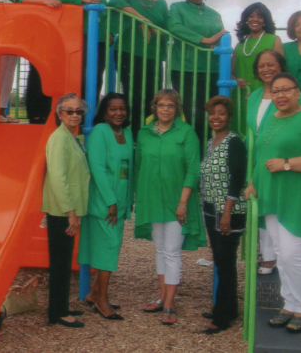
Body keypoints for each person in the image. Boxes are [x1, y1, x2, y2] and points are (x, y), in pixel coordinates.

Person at [244, 73, 301, 333]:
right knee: (281, 254)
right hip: (272, 194)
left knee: (294, 255)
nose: (280, 95)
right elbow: (263, 154)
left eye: (286, 90)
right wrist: (253, 182)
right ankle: (289, 303)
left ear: (298, 92)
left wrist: (287, 164)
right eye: (276, 91)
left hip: (299, 195)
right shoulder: (271, 119)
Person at [134, 89, 206, 326]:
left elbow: (193, 170)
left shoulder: (186, 133)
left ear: (177, 109)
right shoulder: (144, 134)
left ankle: (169, 304)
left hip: (178, 204)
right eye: (161, 104)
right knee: (160, 250)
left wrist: (183, 203)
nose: (165, 109)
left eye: (171, 105)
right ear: (154, 107)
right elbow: (139, 166)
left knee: (172, 251)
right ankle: (162, 295)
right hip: (153, 200)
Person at [78, 92, 133, 321]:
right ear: (104, 112)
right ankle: (102, 300)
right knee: (109, 249)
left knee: (106, 248)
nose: (118, 113)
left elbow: (127, 166)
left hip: (118, 201)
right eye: (112, 109)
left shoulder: (126, 132)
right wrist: (111, 201)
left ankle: (93, 294)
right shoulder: (100, 131)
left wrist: (125, 200)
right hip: (104, 201)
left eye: (122, 108)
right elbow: (97, 169)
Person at [41, 93, 90, 328]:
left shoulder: (70, 137)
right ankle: (57, 312)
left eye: (79, 111)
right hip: (62, 212)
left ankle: (60, 306)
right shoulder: (59, 139)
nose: (74, 115)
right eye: (69, 111)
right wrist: (70, 211)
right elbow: (58, 178)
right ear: (59, 113)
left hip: (67, 210)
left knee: (63, 261)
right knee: (60, 262)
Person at [199, 96, 247, 334]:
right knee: (220, 260)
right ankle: (228, 308)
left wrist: (226, 212)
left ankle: (222, 317)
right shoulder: (211, 142)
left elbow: (237, 179)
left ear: (229, 116)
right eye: (212, 113)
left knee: (226, 262)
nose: (215, 118)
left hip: (228, 211)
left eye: (221, 113)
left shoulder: (234, 141)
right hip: (210, 210)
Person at [107, 0, 169, 137]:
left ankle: (147, 136)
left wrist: (152, 29)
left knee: (153, 97)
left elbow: (165, 30)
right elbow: (114, 1)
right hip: (128, 52)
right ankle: (131, 136)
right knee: (132, 94)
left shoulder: (161, 2)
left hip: (152, 55)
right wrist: (143, 20)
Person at [167, 0, 228, 143]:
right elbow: (175, 27)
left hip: (211, 69)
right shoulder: (177, 7)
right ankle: (196, 153)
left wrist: (216, 41)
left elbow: (220, 36)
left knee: (212, 114)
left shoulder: (214, 14)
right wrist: (204, 40)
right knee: (194, 116)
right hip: (185, 69)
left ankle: (210, 153)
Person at [245, 50, 288, 276]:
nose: (266, 69)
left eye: (271, 65)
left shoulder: (288, 94)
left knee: (277, 207)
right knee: (260, 206)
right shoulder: (253, 96)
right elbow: (252, 128)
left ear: (280, 67)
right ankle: (269, 257)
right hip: (256, 158)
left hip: (277, 156)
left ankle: (283, 257)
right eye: (261, 66)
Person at [51, 0, 109, 99]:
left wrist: (108, 31)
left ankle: (91, 114)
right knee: (79, 75)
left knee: (97, 75)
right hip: (76, 33)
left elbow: (104, 4)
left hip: (97, 34)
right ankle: (77, 117)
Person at [19, 0, 61, 124]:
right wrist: (46, 1)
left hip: (57, 28)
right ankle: (35, 114)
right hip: (38, 26)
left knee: (53, 71)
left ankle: (50, 113)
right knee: (37, 70)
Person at [230, 3, 284, 135]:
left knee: (264, 133)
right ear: (246, 20)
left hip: (266, 95)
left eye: (260, 16)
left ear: (265, 20)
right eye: (251, 16)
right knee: (240, 133)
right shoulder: (240, 44)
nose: (255, 19)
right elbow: (231, 73)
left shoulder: (274, 40)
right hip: (240, 97)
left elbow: (282, 72)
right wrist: (237, 80)